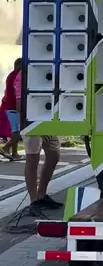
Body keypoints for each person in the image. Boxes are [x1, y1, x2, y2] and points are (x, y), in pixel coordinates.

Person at [13, 68, 63, 211]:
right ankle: (34, 201)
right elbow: (19, 104)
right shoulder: (23, 75)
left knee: (54, 155)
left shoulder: (50, 69)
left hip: (48, 121)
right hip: (31, 122)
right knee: (32, 160)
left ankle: (42, 194)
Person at [0, 57, 23, 160]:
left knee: (15, 130)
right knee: (17, 131)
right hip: (12, 106)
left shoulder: (11, 75)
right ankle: (6, 148)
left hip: (7, 105)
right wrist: (19, 109)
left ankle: (14, 153)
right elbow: (17, 93)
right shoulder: (19, 76)